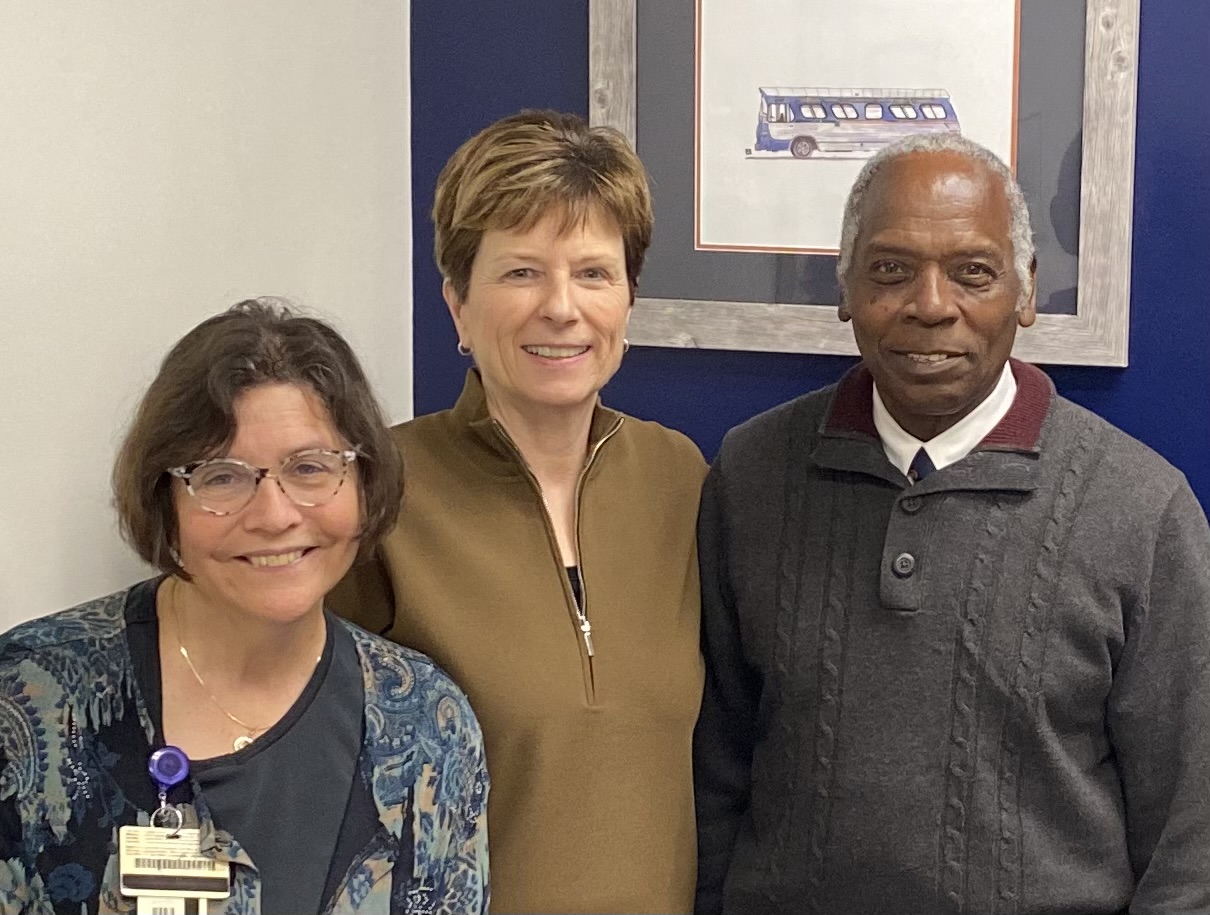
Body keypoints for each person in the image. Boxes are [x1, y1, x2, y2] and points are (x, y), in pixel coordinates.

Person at [693, 135, 1210, 914]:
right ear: (844, 287)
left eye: (973, 272)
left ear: (1027, 293)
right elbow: (713, 778)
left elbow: (1192, 837)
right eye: (891, 269)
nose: (931, 305)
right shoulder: (752, 473)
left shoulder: (1143, 508)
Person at [329, 110, 707, 913]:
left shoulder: (681, 477)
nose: (562, 308)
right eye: (521, 272)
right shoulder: (375, 493)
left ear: (629, 298)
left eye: (594, 273)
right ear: (458, 304)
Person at [0, 300, 489, 914]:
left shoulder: (427, 725)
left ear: (365, 486)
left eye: (310, 468)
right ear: (164, 501)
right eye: (222, 476)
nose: (276, 515)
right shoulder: (32, 697)